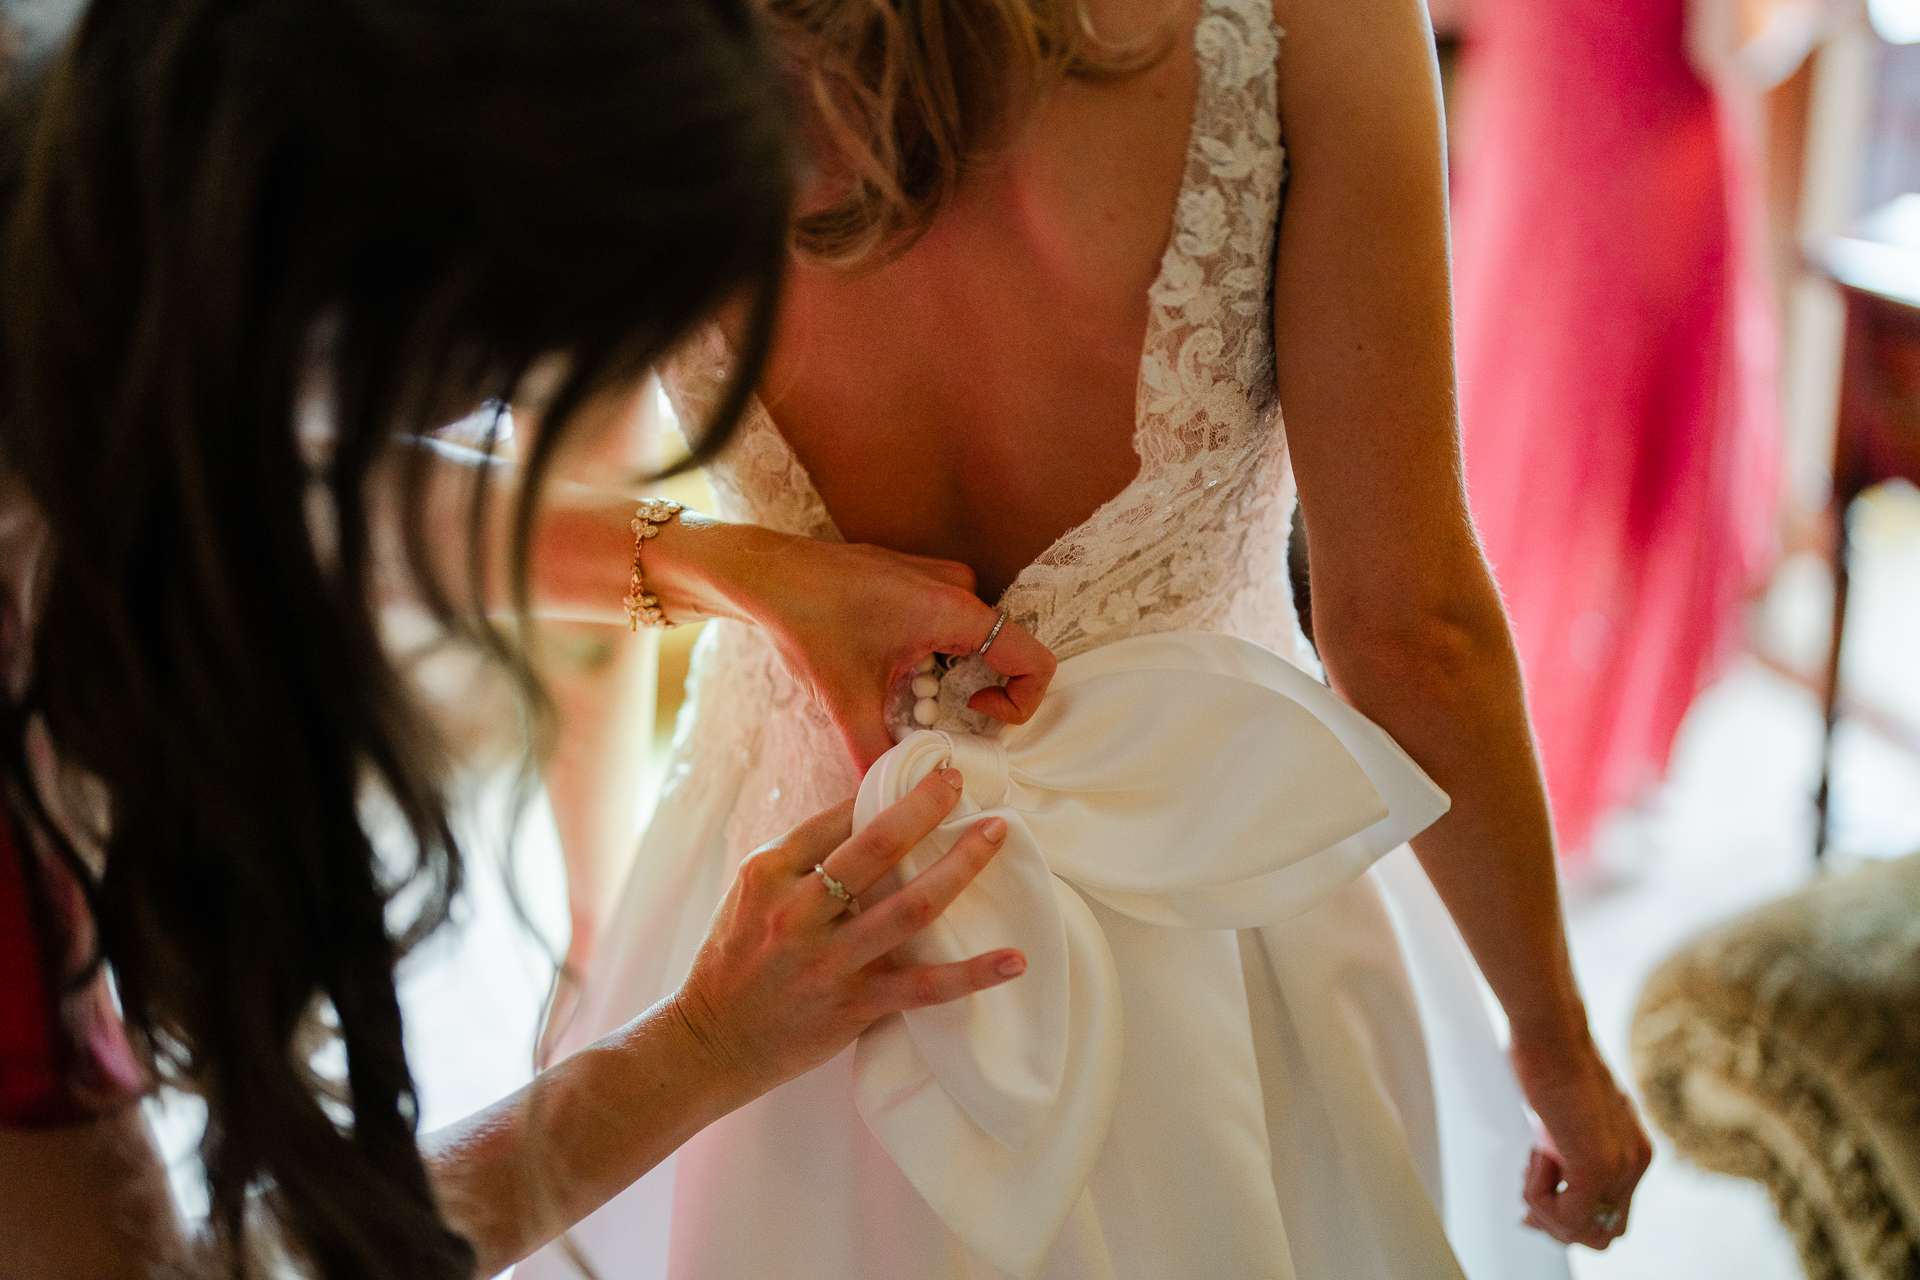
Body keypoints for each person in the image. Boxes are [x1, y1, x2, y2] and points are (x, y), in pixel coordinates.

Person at [523, 0, 1652, 1277]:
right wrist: (1553, 1037)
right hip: (1215, 909)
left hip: (786, 913)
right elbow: (1408, 631)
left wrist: (592, 913)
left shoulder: (655, 36)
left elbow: (479, 495)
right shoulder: (1313, 20)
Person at [0, 0, 1036, 1275]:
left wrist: (740, 567)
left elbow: (277, 482)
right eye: (493, 389)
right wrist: (697, 1049)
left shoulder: (81, 239)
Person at [1449, 0, 1806, 872]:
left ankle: (1550, 730)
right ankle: (1556, 733)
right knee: (1593, 441)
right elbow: (1737, 34)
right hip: (1591, 132)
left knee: (1558, 433)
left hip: (1566, 122)